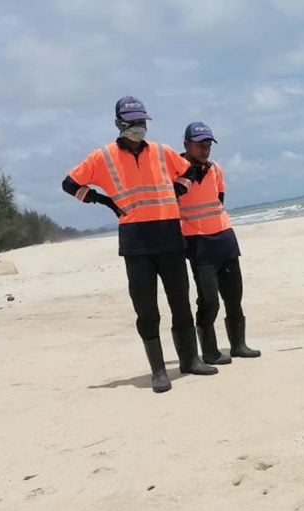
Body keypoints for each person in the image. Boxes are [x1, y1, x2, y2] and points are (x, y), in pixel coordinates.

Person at [61, 96, 218, 393]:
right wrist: (105, 201)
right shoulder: (102, 157)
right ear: (119, 123)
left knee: (181, 303)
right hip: (136, 242)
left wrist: (178, 190)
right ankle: (159, 370)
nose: (138, 128)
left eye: (142, 122)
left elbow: (190, 170)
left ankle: (191, 360)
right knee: (146, 309)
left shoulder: (161, 151)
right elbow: (69, 184)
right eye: (132, 123)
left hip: (170, 236)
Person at [178, 121, 260, 364]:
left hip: (224, 239)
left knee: (234, 296)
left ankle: (238, 345)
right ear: (186, 145)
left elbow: (219, 198)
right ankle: (210, 351)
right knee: (209, 300)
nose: (205, 149)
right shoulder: (175, 171)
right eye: (199, 145)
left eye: (208, 145)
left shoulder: (215, 169)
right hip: (198, 244)